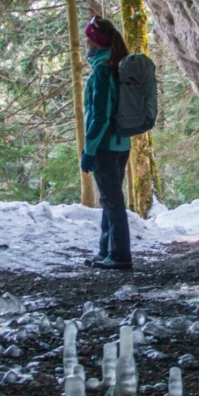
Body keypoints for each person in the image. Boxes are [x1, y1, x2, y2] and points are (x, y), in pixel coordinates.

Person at [80, 15, 133, 270]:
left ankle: (120, 256)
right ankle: (106, 251)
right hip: (121, 145)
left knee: (113, 202)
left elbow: (99, 116)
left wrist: (89, 149)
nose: (85, 41)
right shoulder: (116, 64)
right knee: (110, 200)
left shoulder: (102, 70)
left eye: (88, 36)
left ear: (96, 41)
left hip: (105, 146)